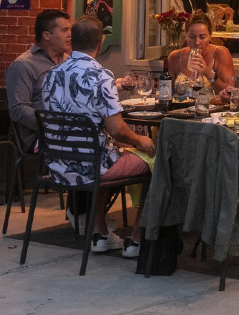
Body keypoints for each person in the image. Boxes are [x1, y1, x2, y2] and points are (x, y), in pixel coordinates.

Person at [41, 17, 156, 257]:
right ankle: (137, 239)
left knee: (108, 154)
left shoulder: (51, 75)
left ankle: (99, 233)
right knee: (154, 161)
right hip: (93, 167)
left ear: (72, 41)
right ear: (100, 43)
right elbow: (116, 129)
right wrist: (141, 141)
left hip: (57, 165)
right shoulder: (101, 76)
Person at [5, 9, 72, 151]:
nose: (70, 35)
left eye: (69, 30)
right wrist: (53, 123)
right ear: (46, 35)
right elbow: (18, 109)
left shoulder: (69, 61)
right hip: (40, 135)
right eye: (64, 30)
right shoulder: (23, 65)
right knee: (91, 146)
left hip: (71, 129)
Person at [166, 11, 235, 95]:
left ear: (210, 36)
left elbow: (230, 93)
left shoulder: (220, 53)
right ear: (186, 36)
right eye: (192, 37)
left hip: (211, 107)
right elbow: (166, 92)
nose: (197, 42)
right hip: (181, 107)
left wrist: (207, 72)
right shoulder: (175, 57)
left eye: (202, 37)